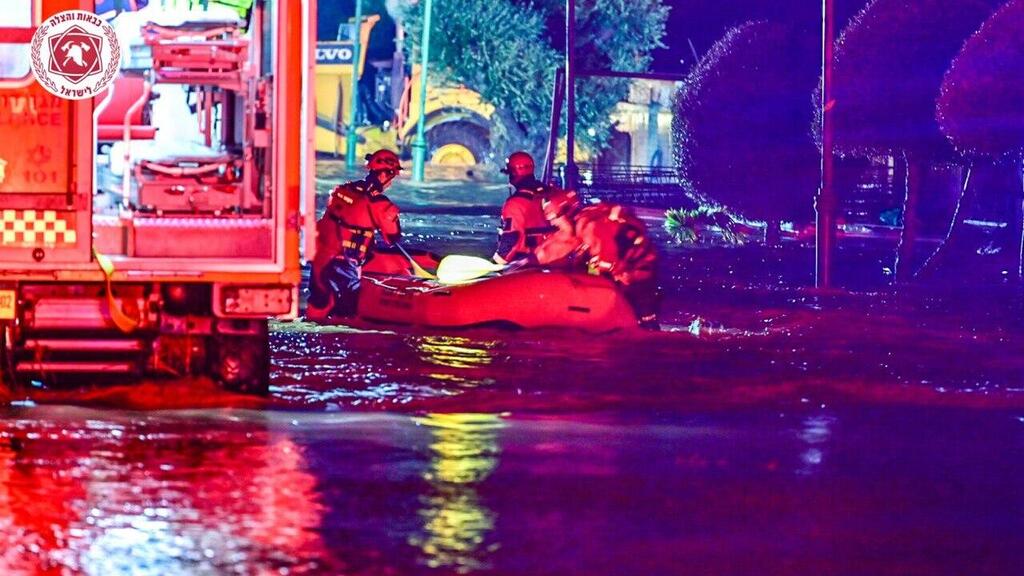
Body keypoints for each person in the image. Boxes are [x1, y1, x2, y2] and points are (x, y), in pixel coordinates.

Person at [535, 188, 661, 330]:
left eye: (554, 218)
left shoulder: (590, 227)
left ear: (567, 213)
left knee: (637, 323)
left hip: (636, 275)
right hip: (633, 268)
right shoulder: (587, 218)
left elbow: (605, 266)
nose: (553, 224)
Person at [308, 149, 403, 320]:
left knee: (318, 305)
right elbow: (393, 237)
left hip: (319, 261)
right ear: (385, 175)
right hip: (343, 266)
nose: (391, 182)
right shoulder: (380, 205)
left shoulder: (343, 190)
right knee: (345, 316)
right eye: (393, 176)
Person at [493, 151, 554, 264]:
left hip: (526, 263)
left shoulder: (515, 204)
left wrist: (496, 264)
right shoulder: (549, 193)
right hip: (551, 256)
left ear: (514, 174)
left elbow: (511, 239)